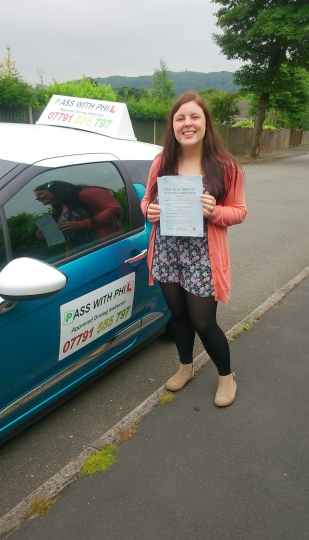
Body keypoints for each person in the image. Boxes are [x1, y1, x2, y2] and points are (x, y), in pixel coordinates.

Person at [140, 92, 247, 407]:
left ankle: (227, 377)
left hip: (202, 257)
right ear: (172, 125)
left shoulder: (225, 166)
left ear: (205, 122)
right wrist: (150, 211)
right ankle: (185, 366)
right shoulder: (162, 162)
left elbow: (239, 211)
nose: (187, 124)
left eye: (194, 117)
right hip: (167, 252)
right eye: (180, 118)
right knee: (178, 316)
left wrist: (214, 212)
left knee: (204, 322)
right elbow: (146, 200)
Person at [35, 181, 123, 253]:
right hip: (79, 257)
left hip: (102, 250)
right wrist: (48, 234)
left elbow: (115, 209)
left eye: (40, 194)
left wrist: (81, 225)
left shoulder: (86, 194)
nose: (37, 198)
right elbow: (69, 234)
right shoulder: (59, 209)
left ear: (53, 190)